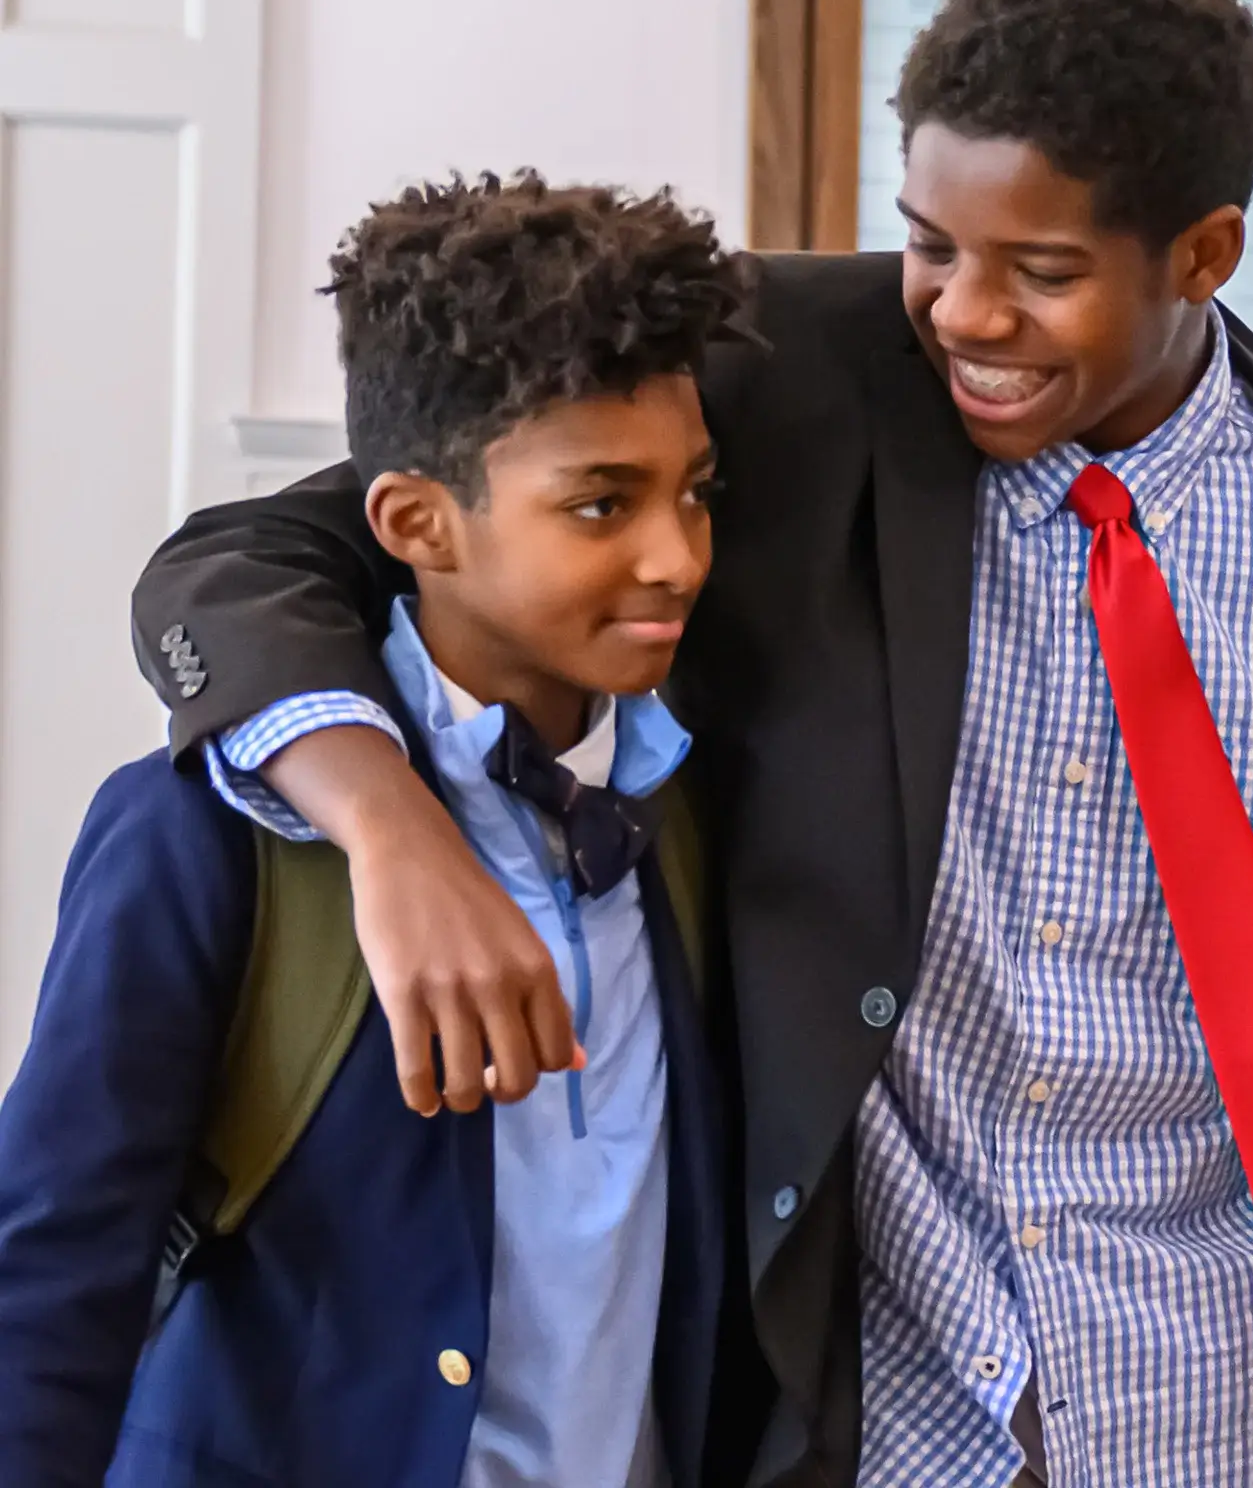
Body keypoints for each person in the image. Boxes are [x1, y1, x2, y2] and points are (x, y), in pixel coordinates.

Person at [129, 0, 1253, 1488]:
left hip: (1235, 1398)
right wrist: (386, 826)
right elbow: (240, 561)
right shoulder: (789, 376)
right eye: (931, 242)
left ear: (1203, 254)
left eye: (1041, 274)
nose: (965, 315)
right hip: (868, 1406)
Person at [0, 172, 742, 1487]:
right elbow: (51, 1278)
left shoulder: (699, 805)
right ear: (414, 522)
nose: (675, 555)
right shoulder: (209, 835)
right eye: (600, 505)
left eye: (694, 493)